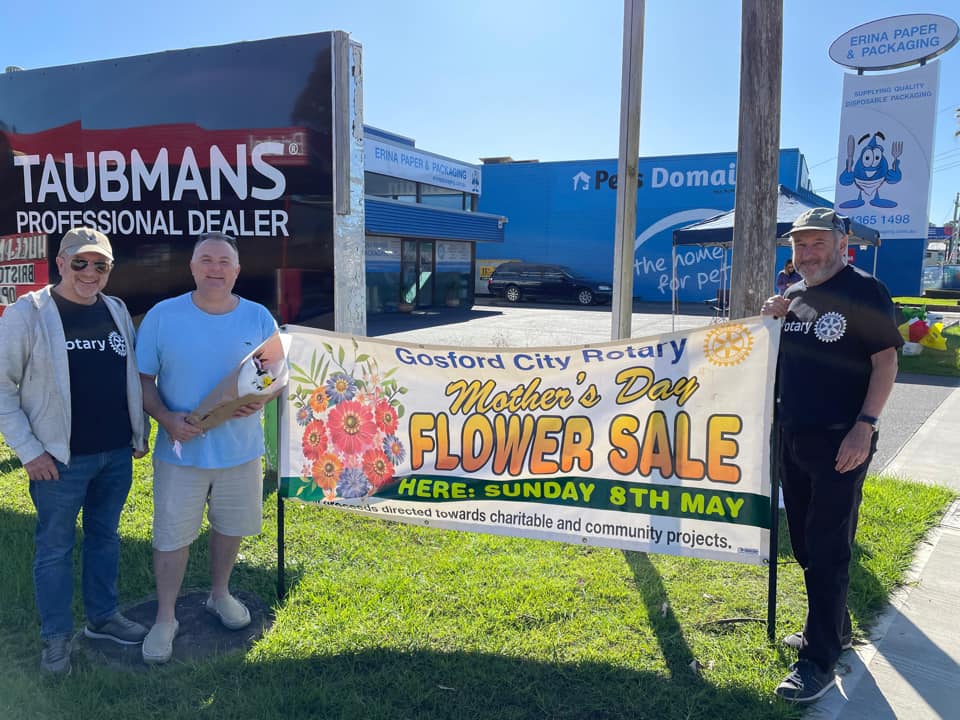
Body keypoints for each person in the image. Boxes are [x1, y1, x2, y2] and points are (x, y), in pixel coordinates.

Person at [760, 208, 901, 704]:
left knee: (827, 546)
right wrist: (771, 319)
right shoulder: (794, 295)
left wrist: (865, 426)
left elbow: (886, 363)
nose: (807, 253)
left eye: (817, 243)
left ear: (842, 244)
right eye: (799, 245)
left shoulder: (865, 291)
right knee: (803, 542)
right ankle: (835, 626)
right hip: (793, 436)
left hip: (842, 440)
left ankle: (818, 660)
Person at [0, 227, 150, 674]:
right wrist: (29, 451)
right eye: (80, 262)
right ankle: (56, 639)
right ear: (61, 263)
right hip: (58, 462)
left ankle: (103, 618)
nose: (89, 272)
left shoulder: (116, 309)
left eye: (100, 264)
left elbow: (129, 376)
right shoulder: (28, 313)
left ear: (110, 269)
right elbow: (3, 388)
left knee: (106, 537)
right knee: (55, 549)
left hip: (115, 455)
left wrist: (138, 432)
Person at [135, 232, 277, 665]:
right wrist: (165, 419)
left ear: (237, 270)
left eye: (224, 261)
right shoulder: (163, 316)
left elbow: (274, 375)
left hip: (241, 451)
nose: (216, 268)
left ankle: (220, 594)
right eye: (207, 260)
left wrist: (262, 398)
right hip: (181, 451)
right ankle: (165, 617)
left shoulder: (258, 317)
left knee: (230, 527)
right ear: (192, 267)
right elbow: (142, 380)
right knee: (171, 535)